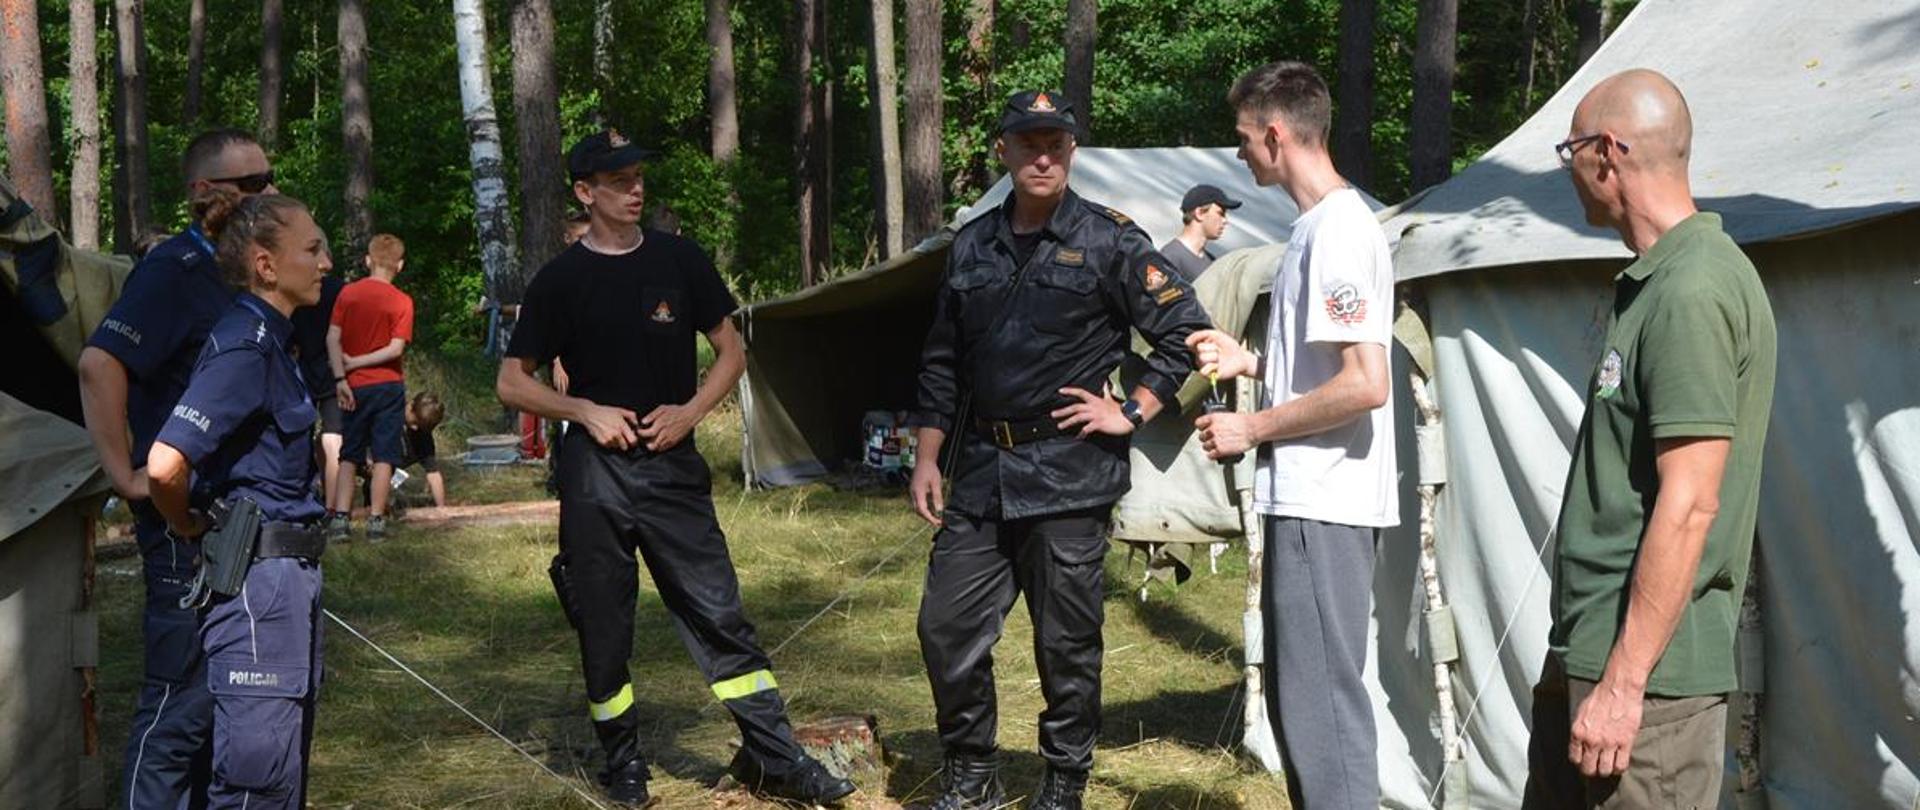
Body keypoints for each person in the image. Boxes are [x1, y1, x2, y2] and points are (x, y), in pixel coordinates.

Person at [497, 128, 855, 808]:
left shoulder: (679, 259)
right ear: (585, 192)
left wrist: (691, 413)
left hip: (672, 470)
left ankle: (778, 758)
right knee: (604, 625)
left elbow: (731, 351)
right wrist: (583, 411)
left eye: (638, 177)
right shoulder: (560, 280)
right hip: (594, 474)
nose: (635, 190)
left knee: (720, 611)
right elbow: (512, 383)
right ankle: (623, 764)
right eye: (618, 181)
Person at [906, 90, 1212, 810]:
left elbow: (1186, 335)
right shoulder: (972, 244)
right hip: (981, 472)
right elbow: (943, 359)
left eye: (1055, 145)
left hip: (1070, 475)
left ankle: (1064, 781)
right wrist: (926, 455)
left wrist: (1131, 410)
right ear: (1004, 151)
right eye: (1028, 144)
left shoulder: (1110, 240)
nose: (1042, 158)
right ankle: (971, 772)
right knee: (945, 628)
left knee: (1066, 644)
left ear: (1071, 152)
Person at [1522, 69, 1776, 809]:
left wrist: (1624, 683)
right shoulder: (1660, 281)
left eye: (1570, 151)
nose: (1568, 170)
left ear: (1608, 152)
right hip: (1595, 651)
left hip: (1649, 687)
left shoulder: (1694, 289)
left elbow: (1691, 503)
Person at [1186, 61, 1396, 810]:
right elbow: (1327, 371)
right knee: (1305, 707)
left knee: (1321, 716)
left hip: (1323, 504)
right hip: (1315, 503)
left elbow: (1365, 384)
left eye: (1244, 138)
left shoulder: (1337, 231)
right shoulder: (1319, 227)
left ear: (1275, 135)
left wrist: (1252, 426)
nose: (1240, 153)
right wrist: (1254, 363)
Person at [76, 126, 277, 808]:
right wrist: (125, 475)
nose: (270, 191)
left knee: (225, 698)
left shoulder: (238, 271)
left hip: (237, 518)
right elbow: (99, 364)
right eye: (254, 183)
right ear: (205, 190)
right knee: (179, 704)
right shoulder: (174, 270)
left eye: (269, 178)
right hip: (181, 522)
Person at [146, 188, 332, 809]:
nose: (326, 262)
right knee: (257, 782)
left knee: (280, 775)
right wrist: (187, 524)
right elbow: (165, 463)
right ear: (266, 264)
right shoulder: (246, 345)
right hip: (260, 587)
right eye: (313, 249)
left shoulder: (274, 339)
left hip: (287, 579)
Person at [325, 233, 413, 540]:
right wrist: (359, 362)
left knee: (349, 453)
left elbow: (332, 338)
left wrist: (341, 376)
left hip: (353, 387)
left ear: (367, 261)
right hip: (388, 386)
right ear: (399, 265)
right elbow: (395, 349)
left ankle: (340, 519)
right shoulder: (402, 301)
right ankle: (376, 519)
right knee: (385, 454)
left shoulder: (348, 294)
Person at [292, 271, 346, 507]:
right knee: (333, 438)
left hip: (303, 369)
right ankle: (332, 504)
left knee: (302, 437)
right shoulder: (340, 289)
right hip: (334, 369)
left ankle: (304, 496)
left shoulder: (296, 287)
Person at [1159, 184, 1242, 281]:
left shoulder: (1211, 262)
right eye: (1220, 213)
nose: (1225, 221)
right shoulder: (1170, 257)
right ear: (1199, 213)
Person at [397, 391, 448, 508]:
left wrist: (441, 508)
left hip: (395, 474)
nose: (415, 428)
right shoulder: (388, 416)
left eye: (420, 426)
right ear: (410, 406)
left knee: (411, 484)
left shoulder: (422, 434)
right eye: (415, 422)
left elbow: (433, 474)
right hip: (372, 464)